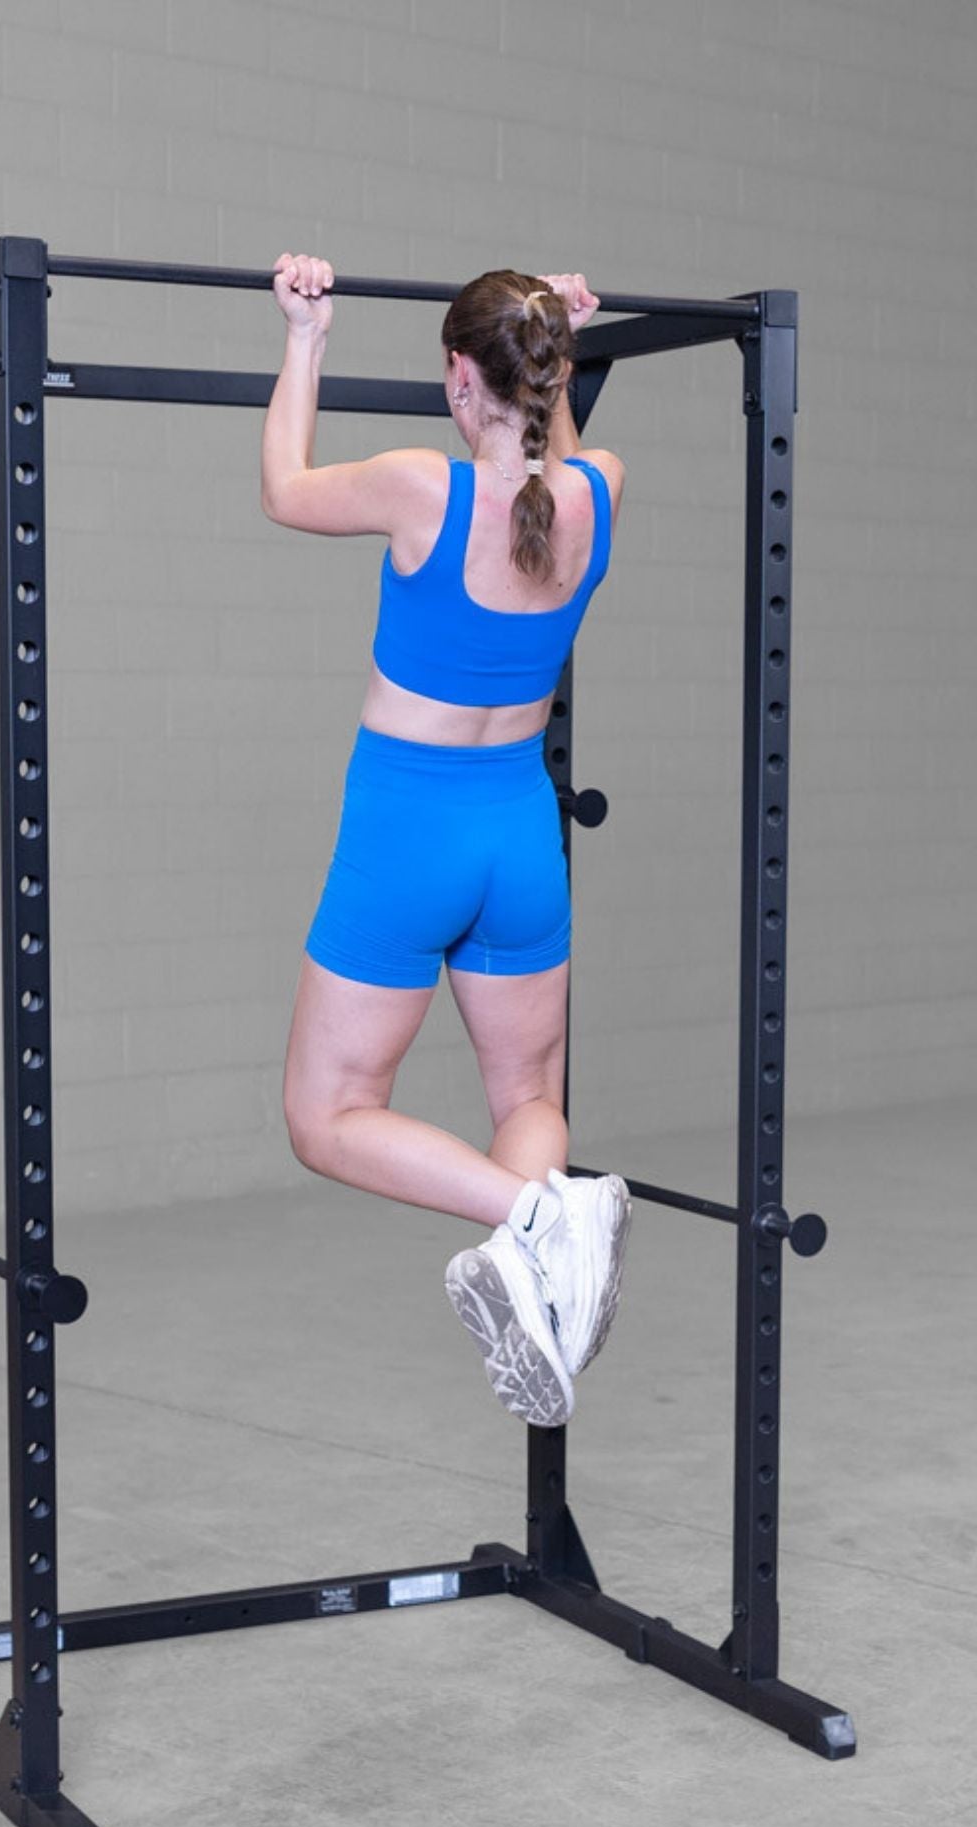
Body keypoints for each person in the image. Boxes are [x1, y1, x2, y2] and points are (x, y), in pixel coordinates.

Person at [262, 252, 632, 1430]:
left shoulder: (422, 488)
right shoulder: (600, 491)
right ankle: (543, 1263)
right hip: (518, 834)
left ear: (458, 378)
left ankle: (534, 1216)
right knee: (524, 1090)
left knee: (326, 1115)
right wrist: (554, 346)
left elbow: (284, 486)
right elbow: (556, 462)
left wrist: (305, 333)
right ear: (552, 379)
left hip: (409, 828)